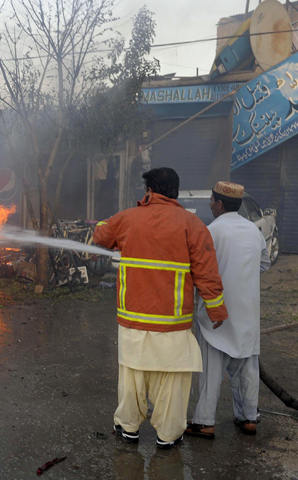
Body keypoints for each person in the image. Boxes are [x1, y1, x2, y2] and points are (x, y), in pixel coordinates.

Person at [94, 167, 228, 449]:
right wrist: (217, 311)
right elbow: (207, 274)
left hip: (133, 322)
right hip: (173, 325)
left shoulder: (128, 219)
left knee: (131, 379)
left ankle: (128, 427)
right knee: (172, 385)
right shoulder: (193, 226)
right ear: (175, 192)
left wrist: (109, 221)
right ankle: (168, 435)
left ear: (150, 191)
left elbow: (101, 236)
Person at [186, 182, 271, 438]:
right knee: (247, 367)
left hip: (217, 311)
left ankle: (204, 421)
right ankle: (248, 418)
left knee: (212, 368)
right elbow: (265, 263)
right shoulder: (253, 230)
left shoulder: (211, 231)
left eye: (211, 200)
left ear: (220, 204)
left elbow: (197, 269)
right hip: (247, 311)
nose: (210, 204)